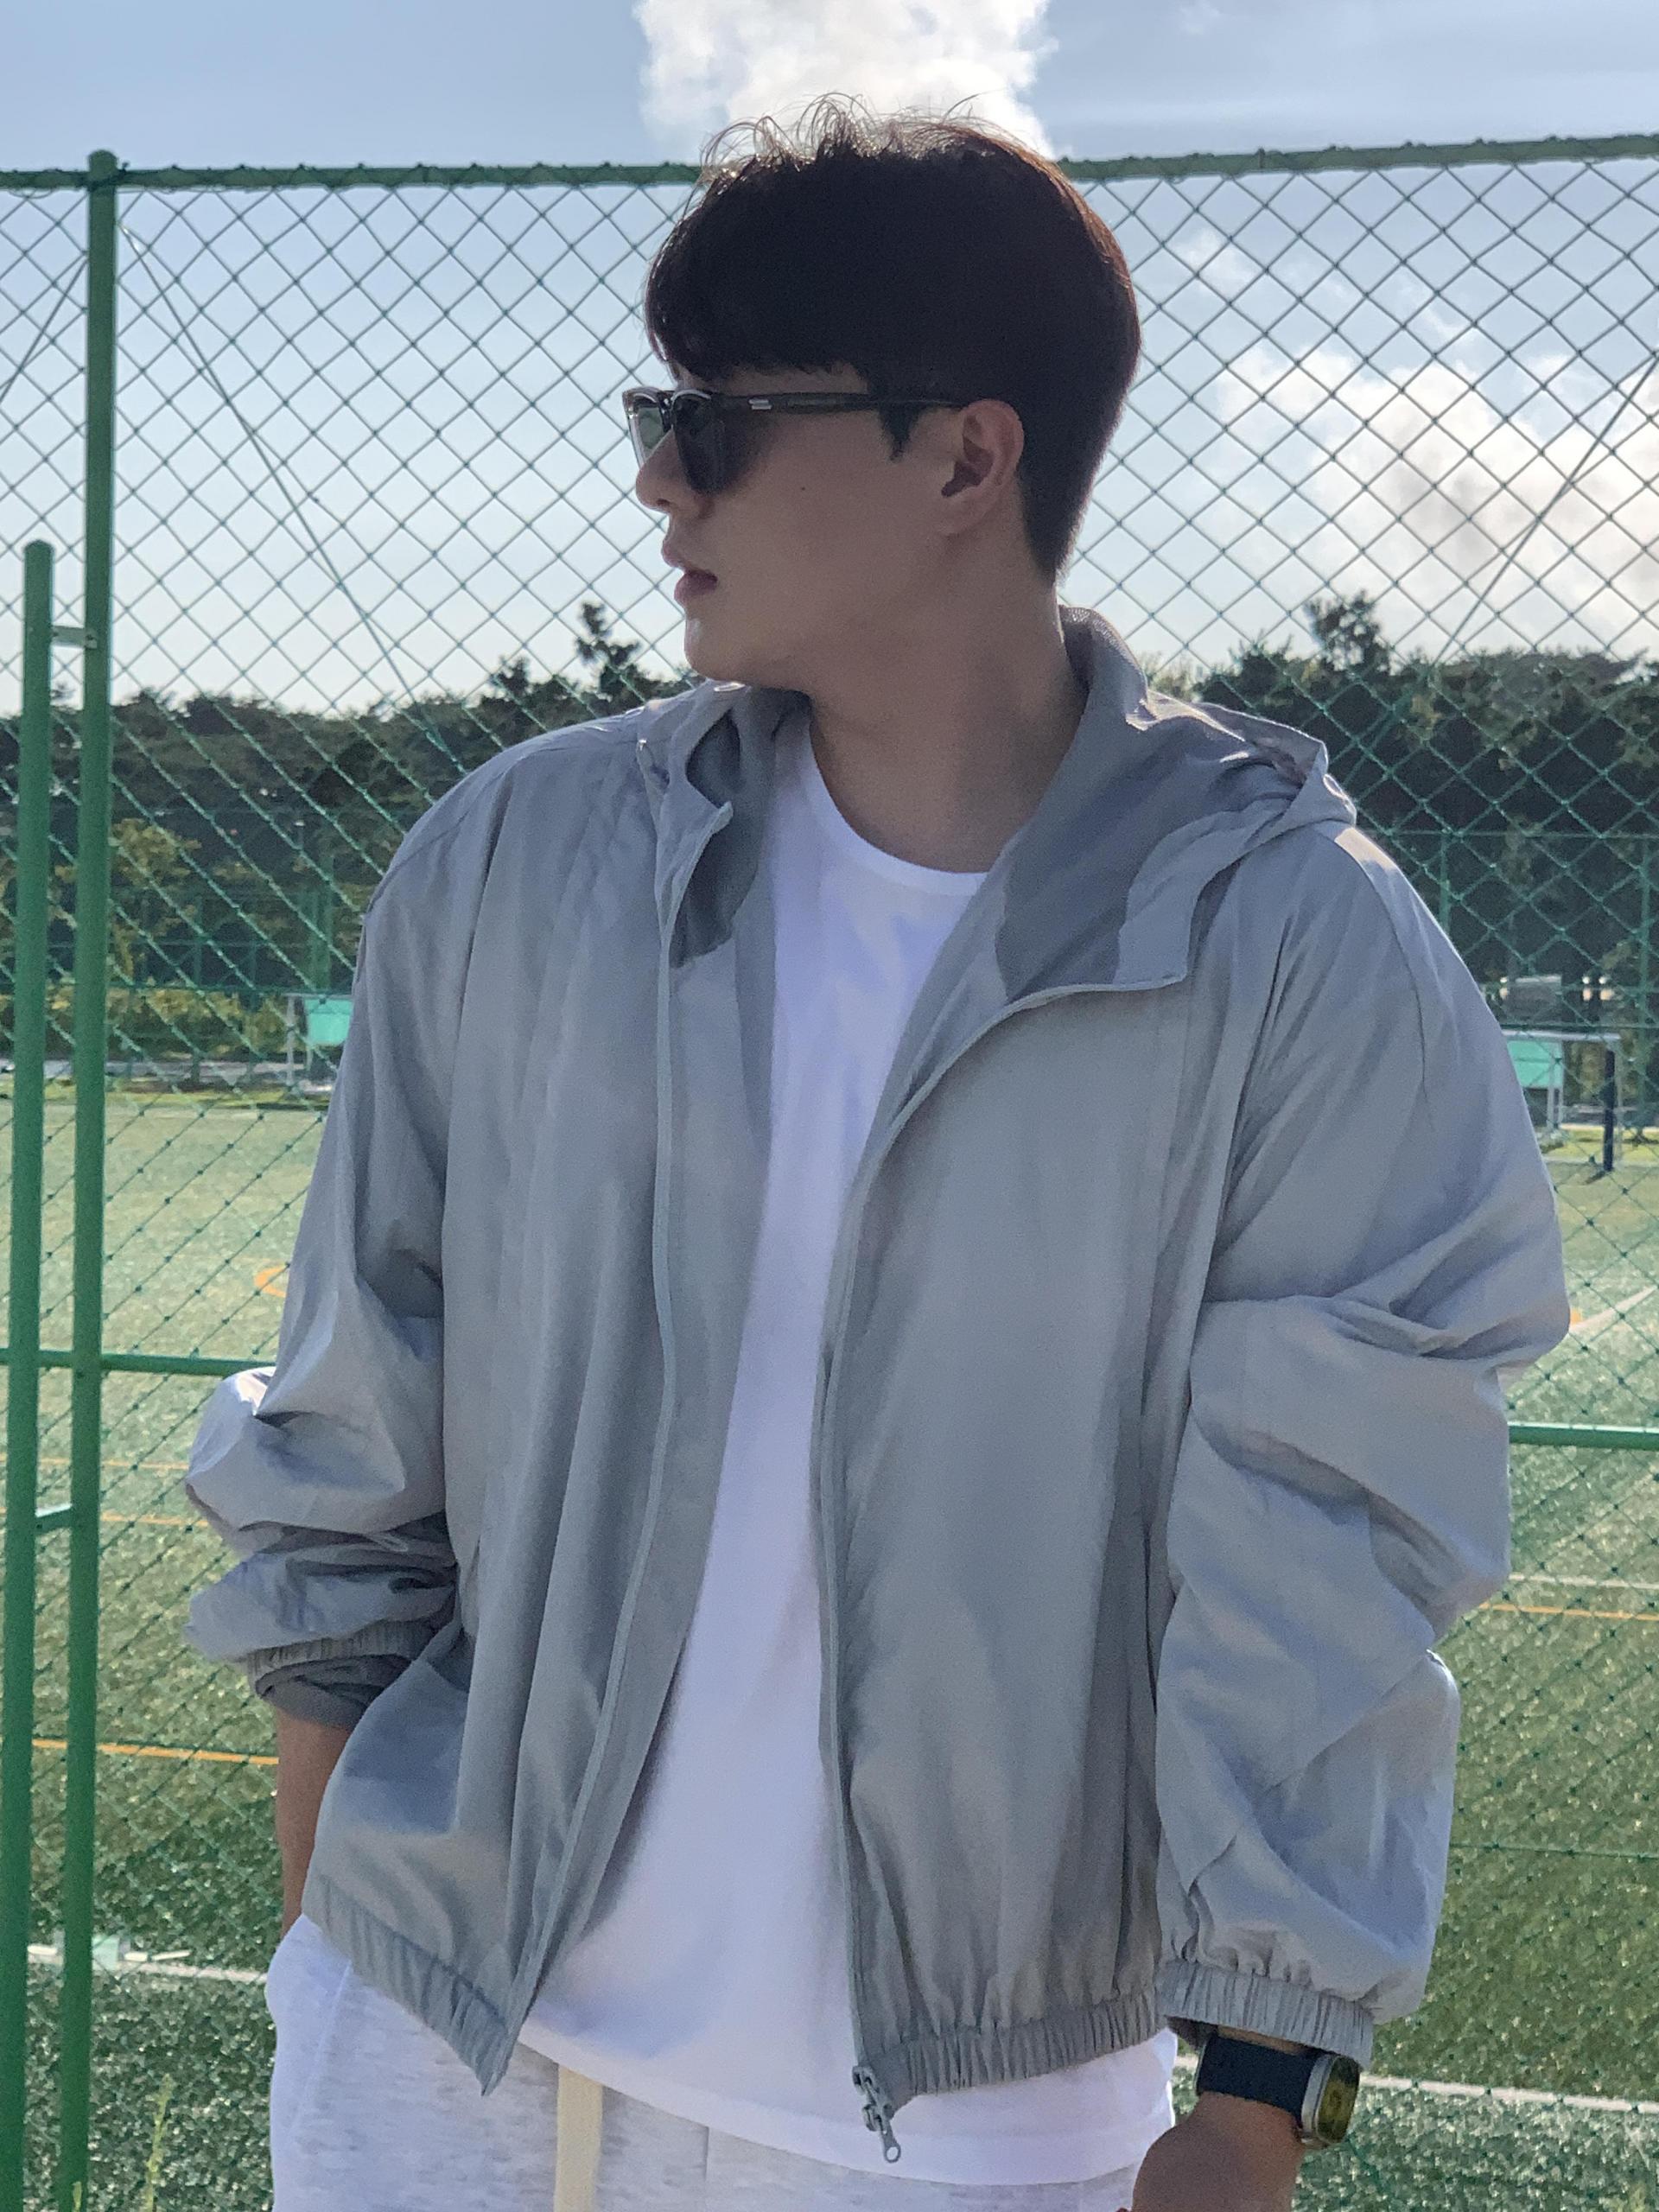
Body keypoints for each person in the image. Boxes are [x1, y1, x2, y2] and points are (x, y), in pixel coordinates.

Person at [181, 97, 1573, 2212]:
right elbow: (368, 1409)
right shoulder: (521, 860)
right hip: (434, 2050)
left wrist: (1255, 2096)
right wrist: (329, 1934)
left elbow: (1325, 1550)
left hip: (969, 2134)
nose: (658, 478)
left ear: (965, 458)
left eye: (718, 420)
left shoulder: (1293, 945)